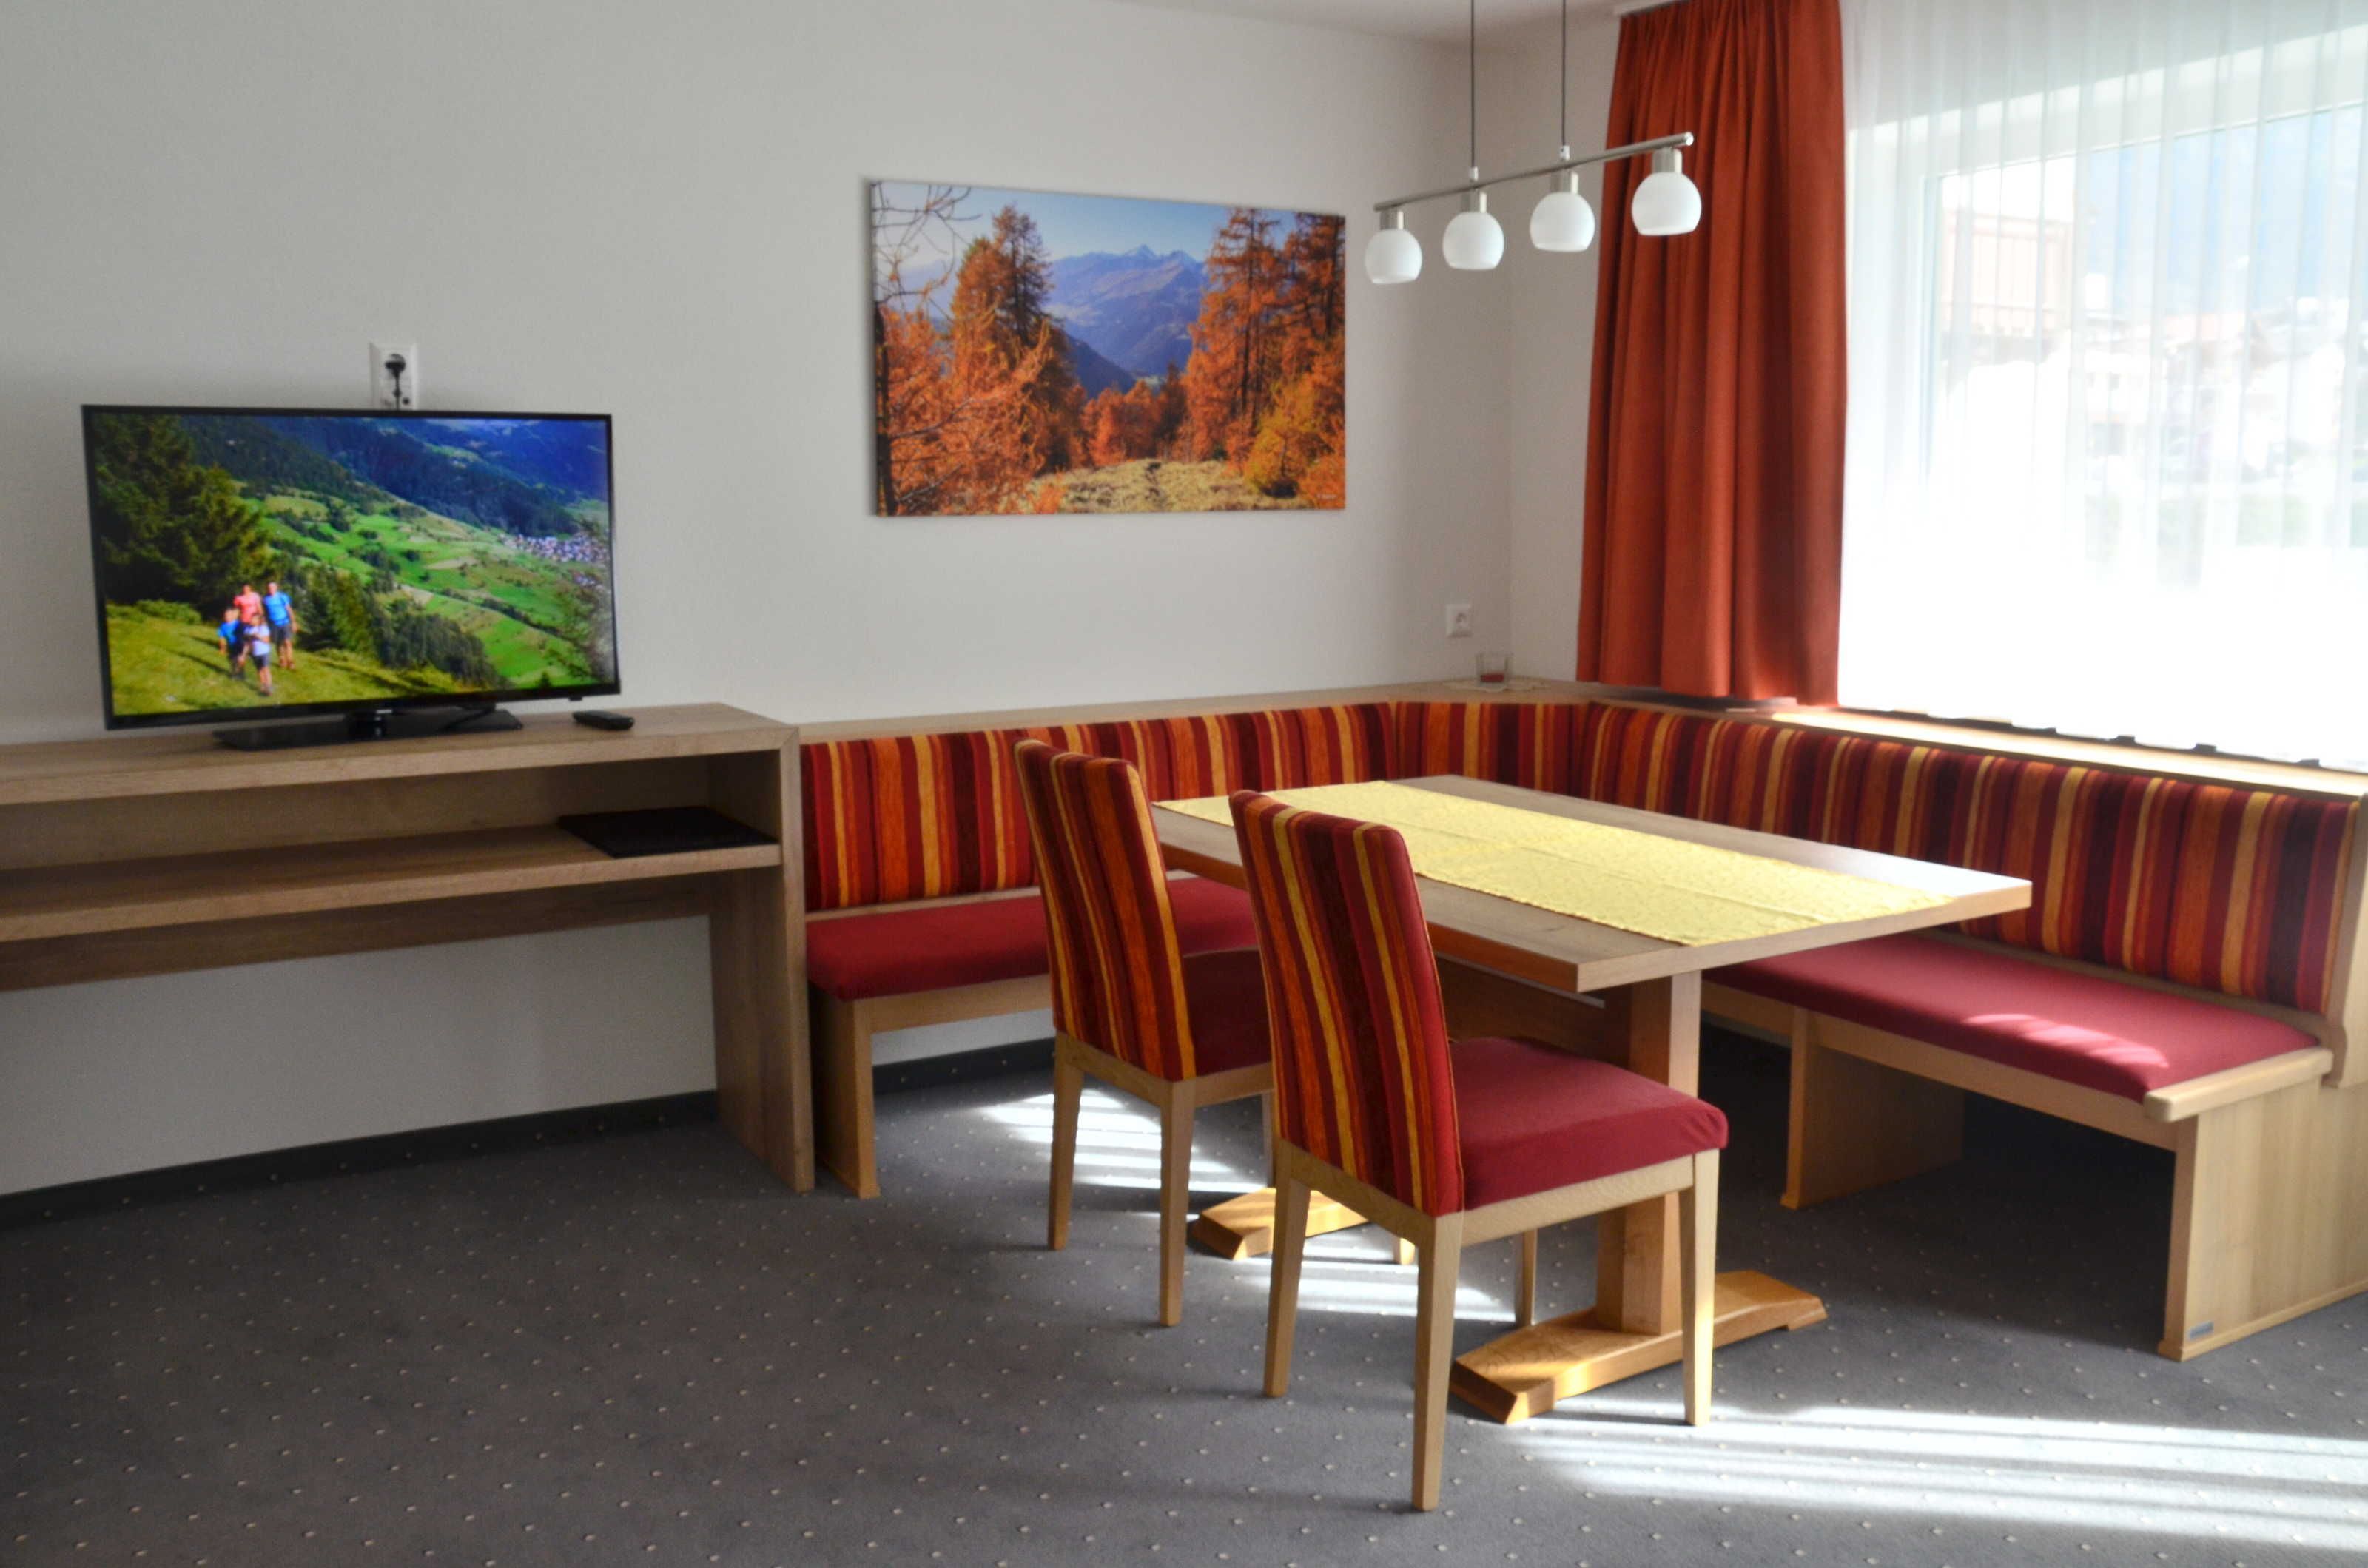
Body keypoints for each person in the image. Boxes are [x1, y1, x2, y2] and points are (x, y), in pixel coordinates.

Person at [262, 579, 299, 670]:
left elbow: (289, 610)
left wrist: (293, 622)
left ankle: (290, 661)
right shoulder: (265, 599)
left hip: (284, 622)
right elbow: (265, 612)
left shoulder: (282, 597)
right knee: (278, 643)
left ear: (276, 588)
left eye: (273, 587)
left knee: (287, 642)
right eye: (269, 588)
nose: (271, 589)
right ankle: (282, 660)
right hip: (273, 624)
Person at [246, 614, 275, 696]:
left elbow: (267, 640)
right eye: (251, 619)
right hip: (255, 653)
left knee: (266, 669)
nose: (251, 621)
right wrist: (246, 653)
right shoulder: (249, 629)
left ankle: (269, 686)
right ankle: (263, 685)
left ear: (259, 621)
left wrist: (259, 637)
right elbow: (248, 642)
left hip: (264, 652)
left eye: (254, 619)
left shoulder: (263, 629)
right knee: (259, 670)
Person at [218, 606, 246, 674]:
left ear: (233, 616)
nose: (227, 617)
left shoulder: (239, 624)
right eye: (225, 615)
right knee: (232, 659)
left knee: (240, 659)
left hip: (240, 645)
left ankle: (241, 673)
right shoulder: (223, 626)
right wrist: (223, 648)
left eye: (229, 615)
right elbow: (222, 638)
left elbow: (245, 634)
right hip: (232, 646)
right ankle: (234, 672)